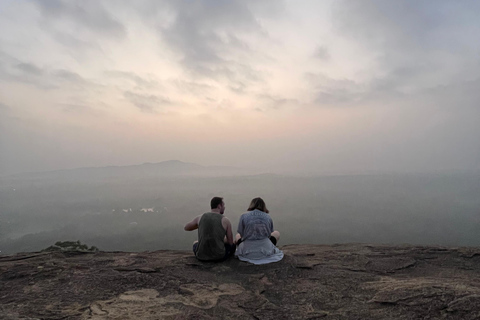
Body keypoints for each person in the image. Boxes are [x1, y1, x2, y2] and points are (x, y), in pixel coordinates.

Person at [184, 196, 235, 261]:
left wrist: (199, 224)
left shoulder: (200, 217)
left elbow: (186, 227)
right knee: (233, 245)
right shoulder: (226, 220)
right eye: (223, 205)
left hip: (201, 256)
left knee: (195, 242)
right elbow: (230, 242)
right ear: (219, 206)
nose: (224, 207)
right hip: (219, 256)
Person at [235, 197, 283, 264]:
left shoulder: (243, 216)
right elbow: (269, 234)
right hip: (265, 248)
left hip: (248, 249)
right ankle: (268, 249)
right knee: (276, 233)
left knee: (237, 235)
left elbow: (241, 233)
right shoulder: (267, 216)